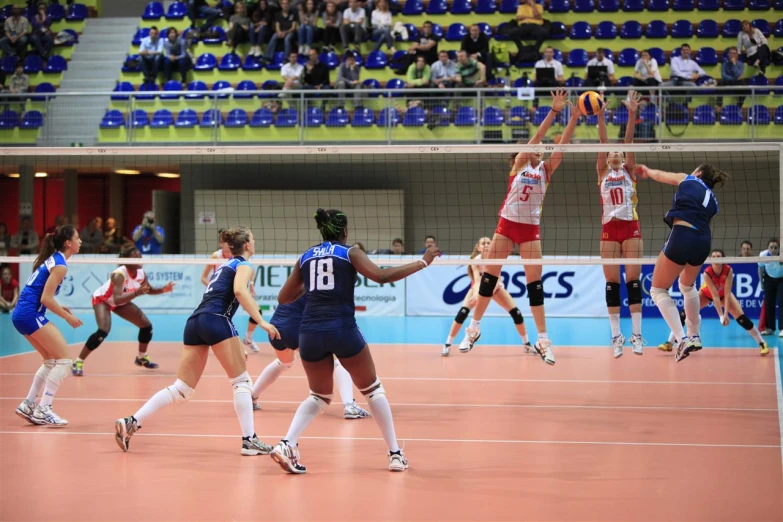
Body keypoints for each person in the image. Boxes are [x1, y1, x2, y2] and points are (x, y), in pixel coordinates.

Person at [269, 209, 441, 474]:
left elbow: (284, 298)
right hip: (341, 328)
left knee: (319, 396)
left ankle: (286, 443)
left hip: (310, 332)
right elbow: (382, 276)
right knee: (372, 389)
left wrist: (311, 288)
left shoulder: (305, 257)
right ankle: (395, 454)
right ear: (345, 231)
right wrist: (423, 262)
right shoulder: (350, 253)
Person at [115, 227, 281, 455]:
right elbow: (240, 291)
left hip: (195, 322)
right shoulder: (244, 264)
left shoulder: (224, 266)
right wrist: (261, 321)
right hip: (216, 319)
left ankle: (132, 421)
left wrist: (231, 343)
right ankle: (249, 440)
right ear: (248, 245)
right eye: (253, 238)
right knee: (241, 382)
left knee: (182, 389)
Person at [463, 89, 581, 365]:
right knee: (489, 280)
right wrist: (554, 111)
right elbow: (537, 138)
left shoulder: (546, 171)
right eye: (534, 147)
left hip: (529, 229)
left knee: (535, 285)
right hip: (506, 225)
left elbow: (560, 147)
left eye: (541, 149)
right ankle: (474, 328)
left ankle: (542, 339)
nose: (538, 149)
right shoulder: (518, 165)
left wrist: (573, 118)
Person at [635, 163, 727, 362]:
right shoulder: (714, 201)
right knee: (687, 286)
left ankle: (681, 338)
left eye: (695, 169)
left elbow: (661, 173)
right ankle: (694, 335)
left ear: (699, 173)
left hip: (683, 235)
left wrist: (647, 171)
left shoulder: (689, 179)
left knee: (657, 290)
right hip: (703, 242)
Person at [250, 294, 371, 420]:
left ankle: (252, 397)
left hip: (276, 327)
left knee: (285, 362)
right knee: (338, 357)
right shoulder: (321, 287)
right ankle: (349, 406)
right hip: (295, 328)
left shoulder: (299, 282)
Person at [12, 225, 83, 427]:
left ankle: (28, 404)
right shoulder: (60, 264)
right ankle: (44, 408)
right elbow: (45, 298)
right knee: (65, 361)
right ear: (68, 243)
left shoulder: (53, 259)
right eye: (77, 238)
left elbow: (41, 296)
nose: (80, 241)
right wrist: (67, 317)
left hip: (22, 314)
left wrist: (61, 308)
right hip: (29, 314)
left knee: (50, 360)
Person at [71, 245, 175, 376]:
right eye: (135, 256)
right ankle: (78, 362)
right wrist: (136, 293)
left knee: (146, 326)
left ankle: (141, 358)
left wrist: (162, 290)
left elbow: (148, 289)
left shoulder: (141, 274)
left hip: (120, 301)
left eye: (140, 255)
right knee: (103, 331)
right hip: (103, 300)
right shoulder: (119, 275)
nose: (139, 258)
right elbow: (117, 299)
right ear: (127, 261)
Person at [596, 90, 644, 357]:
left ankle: (637, 335)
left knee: (633, 281)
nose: (614, 153)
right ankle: (617, 338)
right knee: (611, 284)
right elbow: (603, 142)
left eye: (618, 152)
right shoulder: (602, 171)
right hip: (608, 229)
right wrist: (601, 115)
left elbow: (628, 141)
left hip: (630, 227)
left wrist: (631, 113)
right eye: (611, 152)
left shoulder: (628, 170)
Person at [658, 250, 769, 356]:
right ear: (711, 259)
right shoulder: (707, 272)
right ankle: (669, 343)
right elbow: (715, 296)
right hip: (706, 294)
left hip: (724, 295)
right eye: (714, 256)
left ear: (723, 259)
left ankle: (762, 343)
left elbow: (727, 293)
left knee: (741, 318)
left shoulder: (728, 270)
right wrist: (721, 316)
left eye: (719, 256)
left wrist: (726, 314)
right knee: (684, 313)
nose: (716, 258)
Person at [442, 237, 532, 356]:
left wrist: (489, 292)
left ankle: (527, 344)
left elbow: (497, 278)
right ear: (478, 247)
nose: (486, 245)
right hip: (478, 288)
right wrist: (476, 294)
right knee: (463, 312)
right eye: (483, 243)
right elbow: (477, 281)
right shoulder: (475, 260)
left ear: (492, 246)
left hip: (496, 287)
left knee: (516, 313)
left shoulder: (495, 259)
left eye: (488, 243)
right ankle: (448, 344)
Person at [760, 239, 783, 337]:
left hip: (781, 279)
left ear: (779, 248)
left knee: (782, 301)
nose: (773, 250)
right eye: (771, 247)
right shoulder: (763, 255)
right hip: (769, 279)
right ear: (768, 248)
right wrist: (761, 282)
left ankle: (782, 328)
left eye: (775, 248)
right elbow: (760, 268)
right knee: (769, 303)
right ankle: (770, 328)